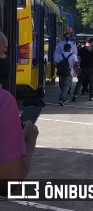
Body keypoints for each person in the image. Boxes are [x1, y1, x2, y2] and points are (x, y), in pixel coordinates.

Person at [0, 31, 39, 181]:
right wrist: (30, 139)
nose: (7, 59)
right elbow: (12, 178)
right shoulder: (4, 101)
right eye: (3, 52)